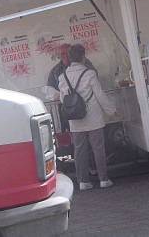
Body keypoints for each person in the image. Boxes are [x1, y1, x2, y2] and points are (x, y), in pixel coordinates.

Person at [58, 44, 119, 191]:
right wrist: (112, 110)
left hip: (75, 120)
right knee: (98, 149)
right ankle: (103, 179)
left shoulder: (62, 77)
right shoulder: (89, 74)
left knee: (79, 150)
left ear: (70, 58)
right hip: (93, 117)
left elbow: (62, 99)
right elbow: (100, 95)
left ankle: (83, 182)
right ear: (83, 57)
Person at [47, 43, 98, 174]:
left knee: (93, 143)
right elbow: (51, 90)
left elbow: (96, 80)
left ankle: (93, 168)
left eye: (66, 53)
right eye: (62, 54)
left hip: (88, 109)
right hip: (70, 112)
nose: (64, 56)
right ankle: (83, 171)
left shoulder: (86, 64)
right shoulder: (55, 71)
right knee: (78, 144)